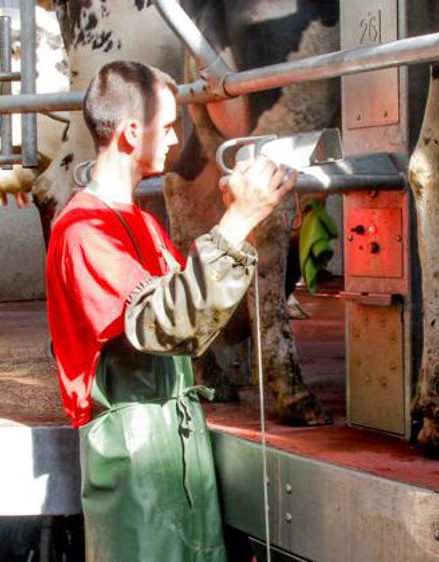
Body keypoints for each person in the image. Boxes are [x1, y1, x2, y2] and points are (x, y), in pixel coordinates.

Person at [45, 60, 295, 562]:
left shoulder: (141, 224)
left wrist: (236, 223)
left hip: (172, 447)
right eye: (169, 124)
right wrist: (237, 219)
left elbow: (197, 315)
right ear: (132, 132)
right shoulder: (83, 232)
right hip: (134, 460)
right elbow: (165, 323)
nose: (177, 137)